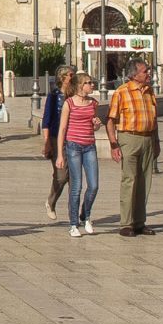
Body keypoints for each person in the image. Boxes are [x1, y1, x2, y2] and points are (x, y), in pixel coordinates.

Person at [106, 58, 161, 236]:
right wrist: (114, 143)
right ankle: (126, 223)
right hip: (129, 138)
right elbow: (110, 120)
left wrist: (156, 141)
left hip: (147, 138)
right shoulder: (122, 92)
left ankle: (139, 221)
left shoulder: (150, 91)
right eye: (145, 71)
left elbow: (154, 119)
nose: (149, 73)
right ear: (134, 75)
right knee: (130, 180)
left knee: (145, 181)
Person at [55, 72, 101, 236]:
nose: (92, 85)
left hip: (89, 146)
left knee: (94, 185)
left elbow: (95, 125)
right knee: (76, 187)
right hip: (73, 146)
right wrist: (60, 155)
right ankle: (74, 224)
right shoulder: (69, 103)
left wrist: (96, 125)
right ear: (81, 86)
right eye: (89, 83)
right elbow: (62, 129)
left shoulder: (93, 103)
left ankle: (86, 215)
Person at [41, 67, 74, 221]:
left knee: (74, 178)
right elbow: (46, 120)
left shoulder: (75, 95)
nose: (72, 77)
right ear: (62, 78)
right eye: (70, 75)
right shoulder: (54, 96)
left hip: (73, 138)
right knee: (61, 176)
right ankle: (51, 201)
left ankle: (73, 214)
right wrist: (47, 142)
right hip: (56, 138)